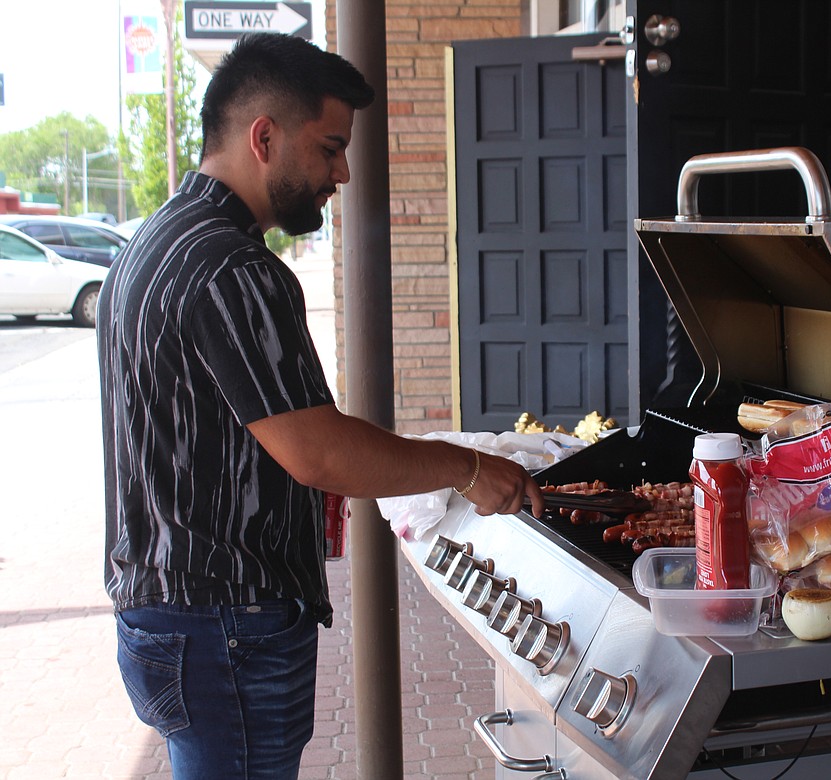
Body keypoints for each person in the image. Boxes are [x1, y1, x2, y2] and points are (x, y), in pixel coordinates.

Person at [96, 33, 545, 779]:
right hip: (223, 627)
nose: (342, 171)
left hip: (167, 616)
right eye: (330, 147)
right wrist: (467, 468)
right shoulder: (232, 268)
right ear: (264, 137)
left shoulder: (156, 240)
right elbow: (320, 452)